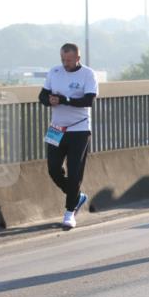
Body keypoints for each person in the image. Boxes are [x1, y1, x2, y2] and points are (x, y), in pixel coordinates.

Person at [40, 43, 97, 229]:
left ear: (78, 58)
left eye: (69, 60)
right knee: (53, 169)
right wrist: (50, 100)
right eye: (63, 60)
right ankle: (77, 195)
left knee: (74, 172)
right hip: (56, 128)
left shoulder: (88, 74)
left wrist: (65, 100)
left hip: (79, 129)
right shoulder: (54, 72)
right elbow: (42, 96)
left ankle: (69, 212)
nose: (66, 63)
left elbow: (88, 100)